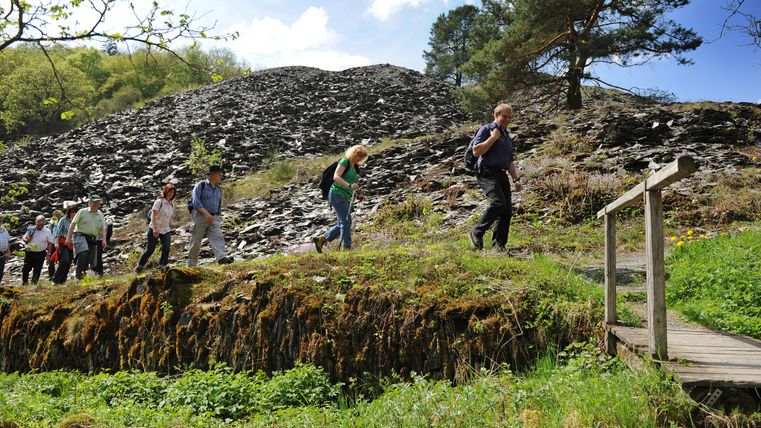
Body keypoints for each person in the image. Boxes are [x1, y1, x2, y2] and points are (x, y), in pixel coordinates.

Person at [468, 103, 522, 251]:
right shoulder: (486, 129)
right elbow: (476, 151)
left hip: (501, 173)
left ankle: (498, 247)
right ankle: (476, 232)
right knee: (498, 203)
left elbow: (509, 160)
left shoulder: (506, 135)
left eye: (510, 117)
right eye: (504, 116)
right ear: (495, 115)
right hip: (486, 171)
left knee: (506, 211)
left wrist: (516, 179)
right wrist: (492, 138)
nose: (507, 119)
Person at [313, 145, 369, 252]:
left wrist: (357, 196)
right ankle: (346, 248)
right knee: (346, 222)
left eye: (362, 157)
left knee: (342, 223)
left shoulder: (354, 167)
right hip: (337, 194)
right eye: (359, 156)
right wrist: (349, 185)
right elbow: (336, 177)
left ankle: (321, 240)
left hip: (346, 196)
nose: (360, 159)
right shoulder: (344, 161)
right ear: (354, 153)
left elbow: (351, 184)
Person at [188, 166, 233, 266]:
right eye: (219, 173)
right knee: (196, 241)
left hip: (213, 217)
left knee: (217, 236)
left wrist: (217, 215)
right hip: (200, 216)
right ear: (213, 174)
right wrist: (206, 214)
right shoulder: (201, 185)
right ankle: (191, 265)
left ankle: (221, 258)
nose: (221, 176)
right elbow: (196, 202)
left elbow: (219, 203)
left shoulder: (218, 189)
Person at [135, 183, 176, 273]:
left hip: (165, 229)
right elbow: (153, 216)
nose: (171, 194)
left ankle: (162, 266)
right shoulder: (159, 202)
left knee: (166, 247)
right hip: (155, 228)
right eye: (169, 192)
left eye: (172, 192)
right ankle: (139, 266)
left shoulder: (171, 204)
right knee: (150, 249)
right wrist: (154, 229)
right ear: (165, 191)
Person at [65, 195, 108, 280]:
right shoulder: (82, 212)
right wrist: (68, 238)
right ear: (89, 203)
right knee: (83, 253)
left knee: (88, 258)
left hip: (92, 238)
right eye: (94, 202)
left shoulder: (100, 215)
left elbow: (102, 229)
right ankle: (78, 275)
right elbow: (73, 224)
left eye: (98, 202)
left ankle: (83, 276)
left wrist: (104, 240)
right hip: (80, 235)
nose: (96, 204)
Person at [21, 215, 54, 285]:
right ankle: (25, 282)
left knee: (37, 269)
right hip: (29, 251)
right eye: (38, 224)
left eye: (41, 224)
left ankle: (34, 284)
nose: (39, 226)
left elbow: (50, 243)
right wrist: (27, 240)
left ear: (44, 223)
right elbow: (23, 238)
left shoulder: (47, 231)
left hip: (40, 253)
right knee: (26, 268)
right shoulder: (31, 229)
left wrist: (48, 254)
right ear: (36, 222)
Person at [52, 206, 77, 284]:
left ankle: (62, 280)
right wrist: (56, 242)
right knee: (65, 260)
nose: (73, 213)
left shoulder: (76, 222)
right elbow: (58, 231)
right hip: (63, 242)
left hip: (72, 245)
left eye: (74, 212)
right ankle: (55, 279)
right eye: (71, 212)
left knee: (69, 262)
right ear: (68, 212)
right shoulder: (63, 220)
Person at [47, 209, 62, 280]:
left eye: (58, 214)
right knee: (51, 259)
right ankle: (51, 275)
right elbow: (50, 231)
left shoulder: (63, 221)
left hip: (62, 242)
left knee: (61, 259)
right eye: (55, 214)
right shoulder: (52, 221)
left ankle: (59, 274)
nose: (57, 215)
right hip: (53, 242)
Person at [0, 214, 11, 284]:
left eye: (1, 219)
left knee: (0, 272)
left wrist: (8, 252)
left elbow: (7, 241)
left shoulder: (4, 230)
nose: (0, 221)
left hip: (3, 253)